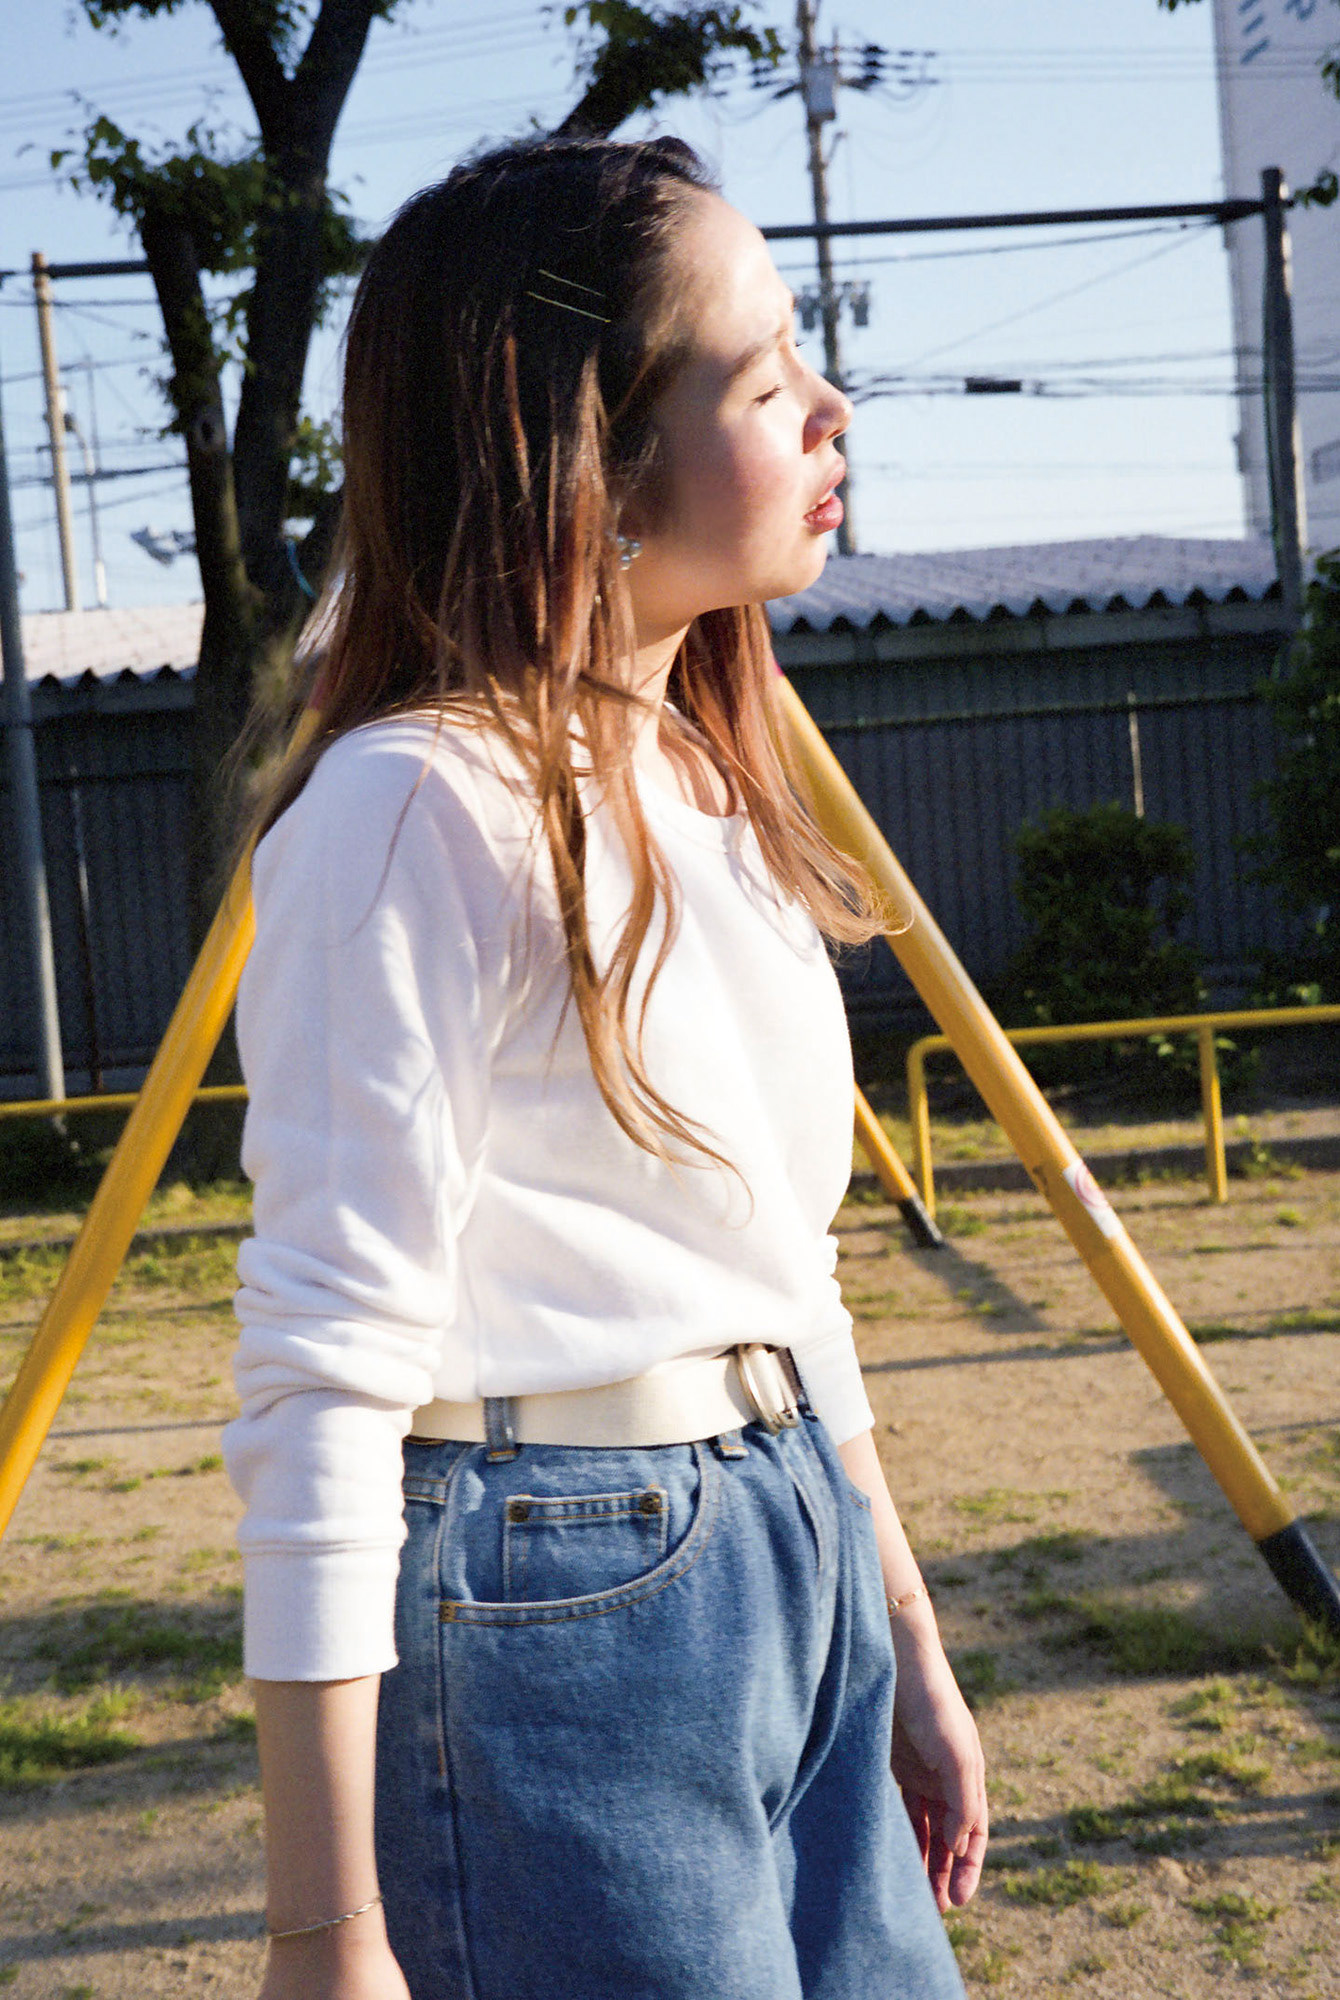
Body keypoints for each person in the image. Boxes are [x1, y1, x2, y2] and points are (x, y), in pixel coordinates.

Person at [225, 135, 987, 2000]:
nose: (832, 407)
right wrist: (327, 1932)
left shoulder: (714, 780)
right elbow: (323, 1371)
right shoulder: (411, 809)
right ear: (591, 452)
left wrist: (903, 1635)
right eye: (764, 375)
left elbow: (785, 1272)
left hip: (792, 1540)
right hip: (560, 1597)